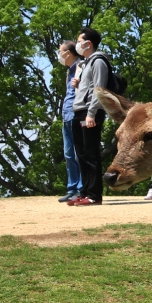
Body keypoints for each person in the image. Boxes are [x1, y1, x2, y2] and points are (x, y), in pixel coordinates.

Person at [69, 27, 112, 207]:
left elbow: (99, 89)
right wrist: (78, 85)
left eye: (79, 41)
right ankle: (85, 192)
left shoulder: (99, 61)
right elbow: (88, 88)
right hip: (79, 110)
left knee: (91, 153)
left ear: (88, 43)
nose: (77, 44)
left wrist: (91, 113)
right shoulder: (85, 64)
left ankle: (94, 195)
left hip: (89, 112)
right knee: (81, 154)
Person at [57, 41, 82, 203]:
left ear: (68, 53)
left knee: (78, 154)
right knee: (68, 154)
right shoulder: (69, 71)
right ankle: (72, 188)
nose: (59, 55)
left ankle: (80, 189)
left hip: (75, 115)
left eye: (60, 52)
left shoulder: (81, 67)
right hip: (66, 115)